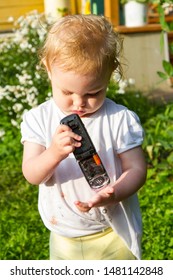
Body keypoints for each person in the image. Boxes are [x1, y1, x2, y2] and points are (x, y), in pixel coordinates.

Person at [21, 14, 147, 260]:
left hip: (113, 232)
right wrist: (54, 153)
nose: (79, 103)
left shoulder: (119, 119)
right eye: (67, 91)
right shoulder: (39, 119)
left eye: (93, 92)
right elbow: (32, 174)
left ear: (110, 73)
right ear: (48, 69)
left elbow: (137, 169)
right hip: (63, 234)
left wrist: (116, 192)